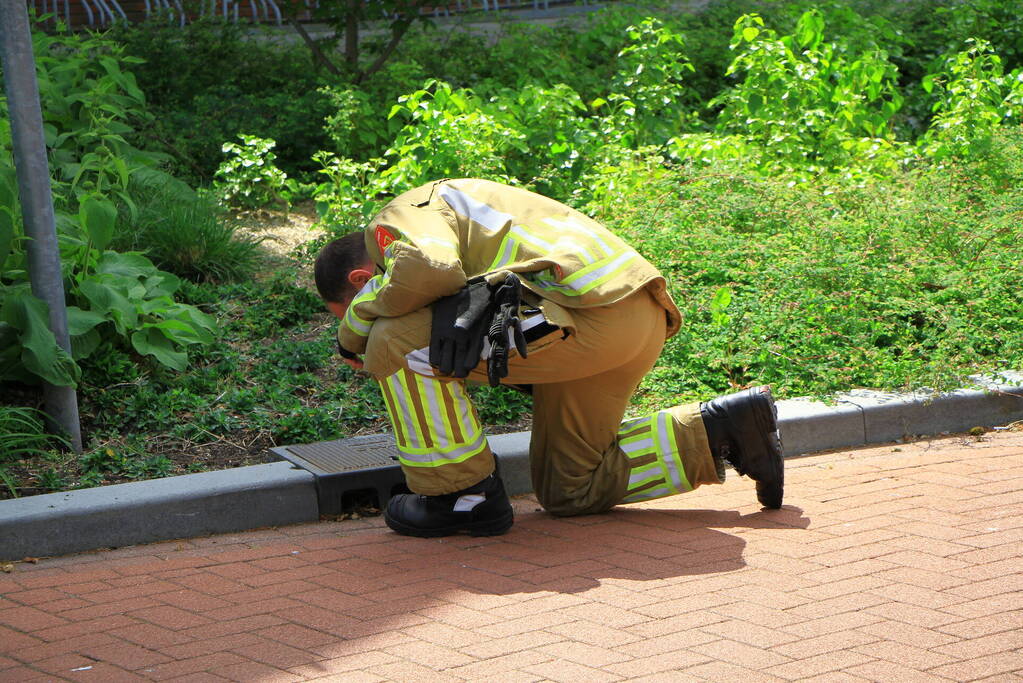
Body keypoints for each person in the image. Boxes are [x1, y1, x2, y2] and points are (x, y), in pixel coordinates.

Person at [314, 178, 784, 538]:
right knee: (571, 489)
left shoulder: (398, 217)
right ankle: (723, 428)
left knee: (391, 341)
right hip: (634, 318)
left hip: (582, 315)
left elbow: (429, 269)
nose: (360, 312)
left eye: (354, 301)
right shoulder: (465, 202)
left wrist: (353, 331)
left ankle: (459, 495)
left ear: (361, 279)